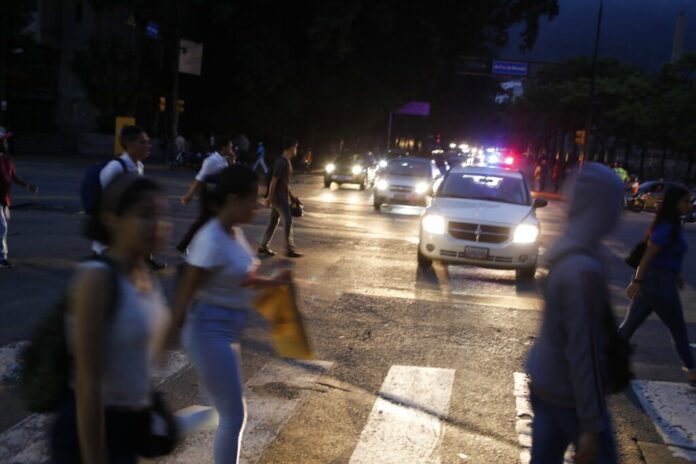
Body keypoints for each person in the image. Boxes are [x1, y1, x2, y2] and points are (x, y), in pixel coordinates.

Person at [172, 165, 290, 464]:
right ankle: (153, 429)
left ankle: (157, 428)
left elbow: (242, 277)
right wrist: (165, 338)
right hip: (207, 333)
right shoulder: (211, 239)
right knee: (234, 416)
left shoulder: (232, 232)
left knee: (220, 413)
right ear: (233, 199)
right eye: (252, 198)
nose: (258, 205)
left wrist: (273, 282)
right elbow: (184, 297)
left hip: (224, 332)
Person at [51, 175, 172, 463]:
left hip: (129, 426)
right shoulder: (97, 278)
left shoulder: (142, 275)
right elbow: (87, 382)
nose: (157, 224)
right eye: (145, 215)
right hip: (92, 433)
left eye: (160, 214)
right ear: (112, 220)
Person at [526, 162, 624, 464]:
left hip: (546, 380)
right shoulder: (584, 269)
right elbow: (584, 352)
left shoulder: (568, 249)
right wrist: (592, 426)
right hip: (569, 396)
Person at [620, 185, 696, 384]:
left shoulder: (670, 224)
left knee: (629, 326)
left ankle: (605, 361)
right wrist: (637, 281)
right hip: (659, 285)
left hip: (655, 283)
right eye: (686, 201)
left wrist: (676, 275)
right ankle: (692, 369)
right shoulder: (667, 227)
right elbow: (648, 255)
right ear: (675, 202)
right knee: (678, 329)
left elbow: (665, 255)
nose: (690, 205)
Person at [92, 125, 166, 271]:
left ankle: (146, 260)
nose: (148, 146)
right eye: (143, 142)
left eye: (147, 141)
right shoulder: (115, 167)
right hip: (111, 236)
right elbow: (105, 200)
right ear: (130, 144)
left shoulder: (138, 166)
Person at [177, 136, 236, 254]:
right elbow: (199, 179)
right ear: (224, 147)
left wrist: (233, 160)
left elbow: (231, 173)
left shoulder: (224, 159)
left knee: (211, 222)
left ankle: (187, 245)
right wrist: (189, 195)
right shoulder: (212, 160)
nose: (232, 148)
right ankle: (186, 245)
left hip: (218, 194)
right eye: (230, 146)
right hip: (208, 195)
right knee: (204, 221)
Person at [258, 138, 302, 258]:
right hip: (278, 198)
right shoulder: (282, 162)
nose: (296, 150)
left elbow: (285, 183)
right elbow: (274, 180)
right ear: (292, 147)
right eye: (296, 147)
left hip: (280, 196)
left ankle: (263, 246)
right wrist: (269, 198)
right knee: (288, 220)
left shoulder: (286, 161)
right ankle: (289, 249)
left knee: (273, 221)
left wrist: (292, 197)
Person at [0, 141, 38, 268]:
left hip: (4, 199)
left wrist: (27, 186)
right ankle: (2, 258)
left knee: (3, 228)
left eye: (6, 142)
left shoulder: (7, 160)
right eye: (3, 142)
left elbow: (13, 177)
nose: (6, 144)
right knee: (2, 227)